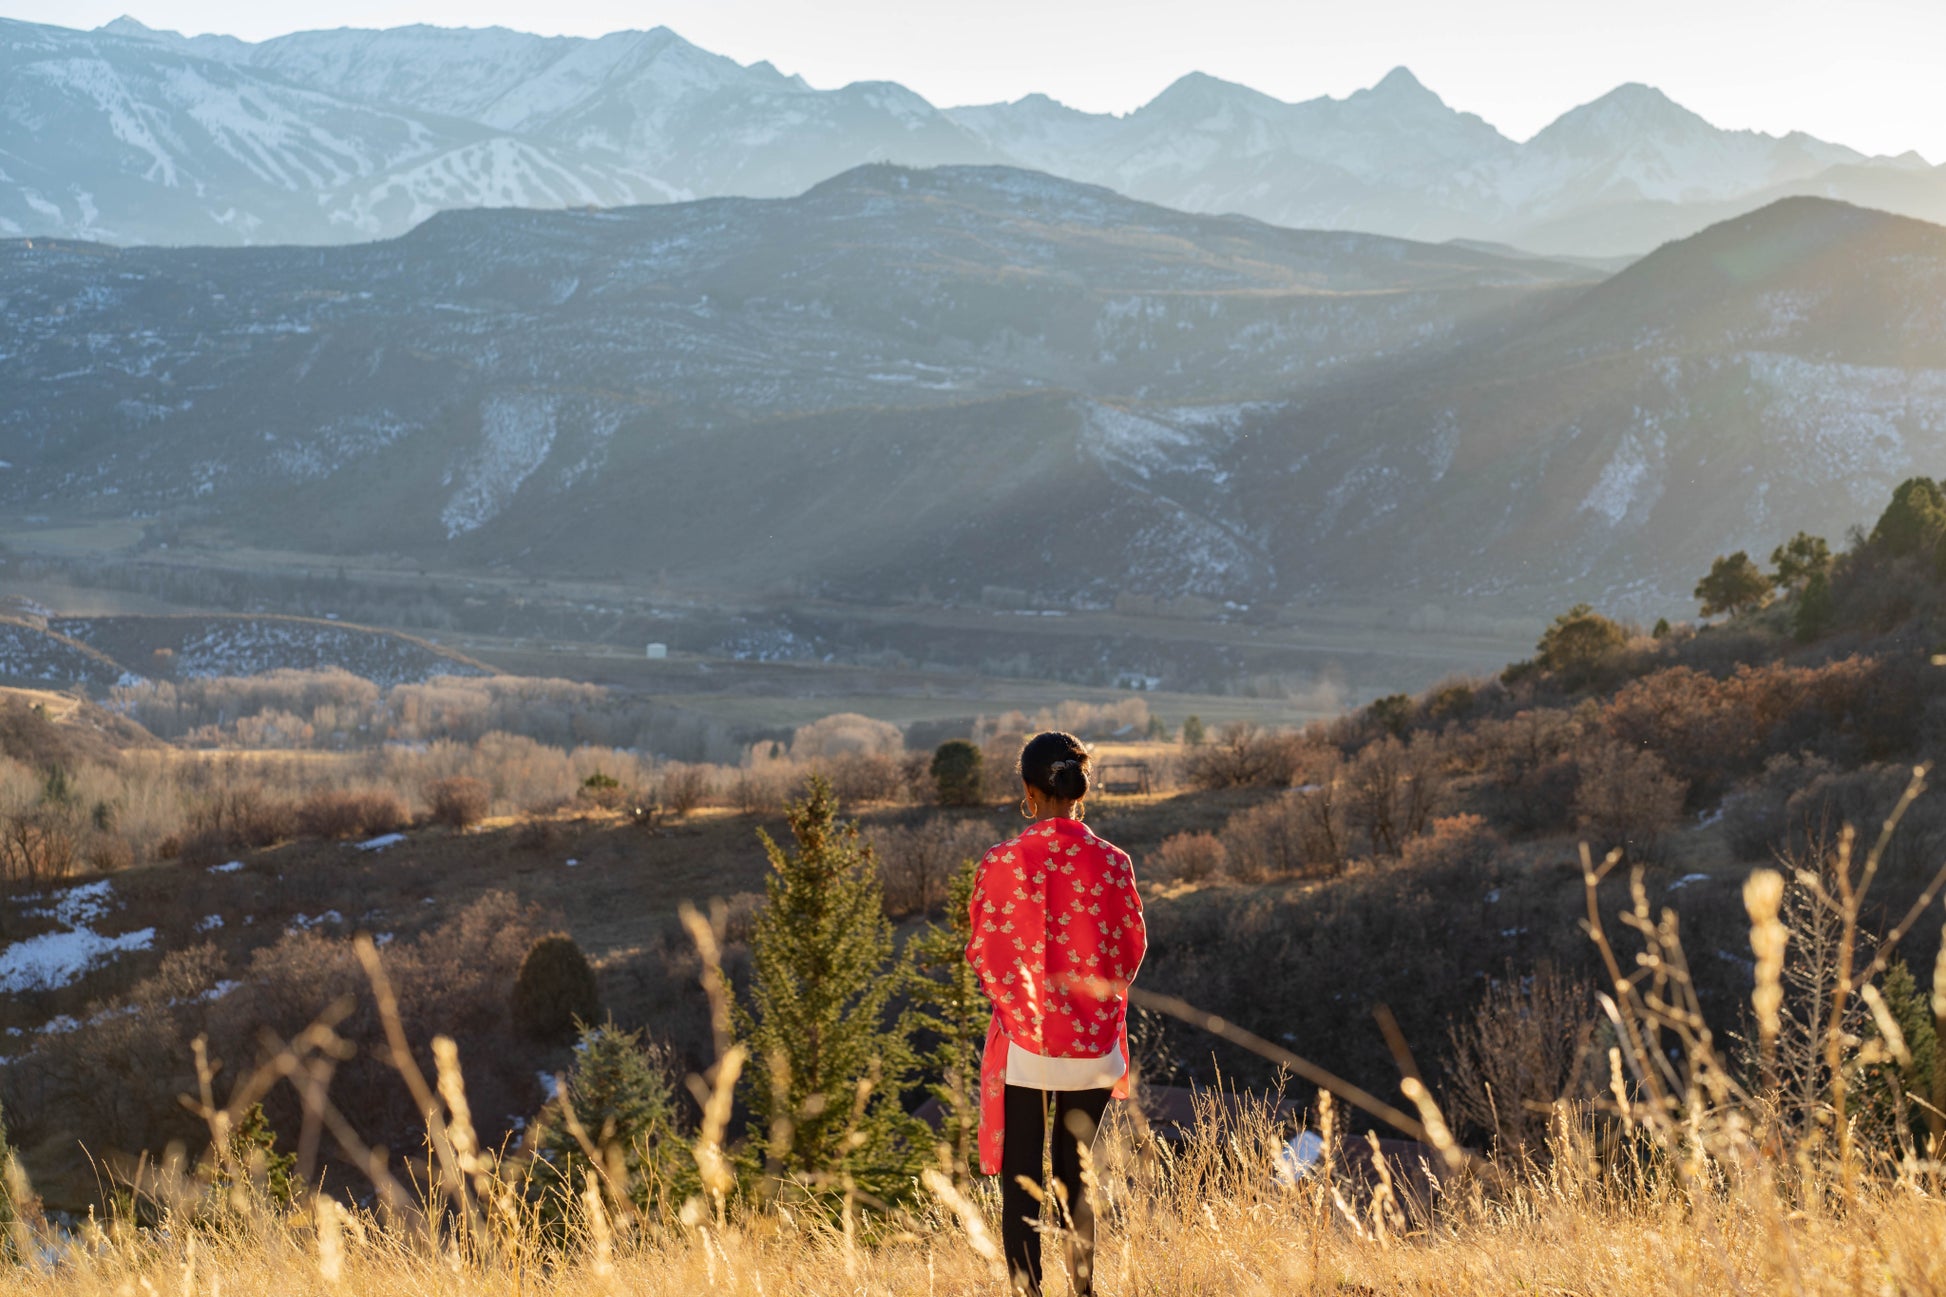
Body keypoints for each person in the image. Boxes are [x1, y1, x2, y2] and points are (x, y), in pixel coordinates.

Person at [966, 730, 1147, 1297]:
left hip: (1026, 1045)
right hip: (1093, 1045)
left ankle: (1028, 1293)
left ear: (1028, 789)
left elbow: (985, 953)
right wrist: (1094, 1007)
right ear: (1079, 789)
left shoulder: (1001, 861)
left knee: (1023, 1176)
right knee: (1076, 1170)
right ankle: (1085, 1291)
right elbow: (1130, 948)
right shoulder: (1114, 863)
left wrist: (1020, 1012)